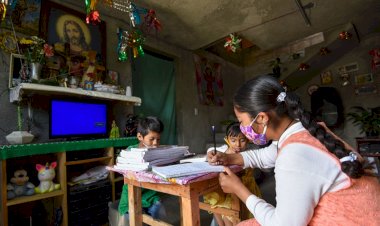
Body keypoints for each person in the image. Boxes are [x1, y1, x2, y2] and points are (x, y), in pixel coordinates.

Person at [208, 75, 379, 226]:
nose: (242, 128)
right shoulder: (306, 131)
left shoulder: (295, 154)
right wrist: (229, 158)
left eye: (241, 121)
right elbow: (267, 155)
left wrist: (240, 191)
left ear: (261, 118)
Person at [204, 122, 262, 226]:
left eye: (242, 140)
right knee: (224, 213)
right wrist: (211, 153)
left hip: (247, 190)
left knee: (245, 218)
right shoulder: (223, 153)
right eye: (233, 140)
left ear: (248, 139)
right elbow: (211, 151)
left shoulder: (250, 155)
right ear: (227, 139)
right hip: (228, 193)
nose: (238, 145)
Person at [118, 116, 165, 219]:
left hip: (150, 196)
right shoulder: (130, 151)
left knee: (159, 210)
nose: (155, 143)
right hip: (132, 196)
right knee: (132, 216)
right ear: (140, 136)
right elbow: (119, 161)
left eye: (158, 139)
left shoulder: (158, 152)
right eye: (151, 139)